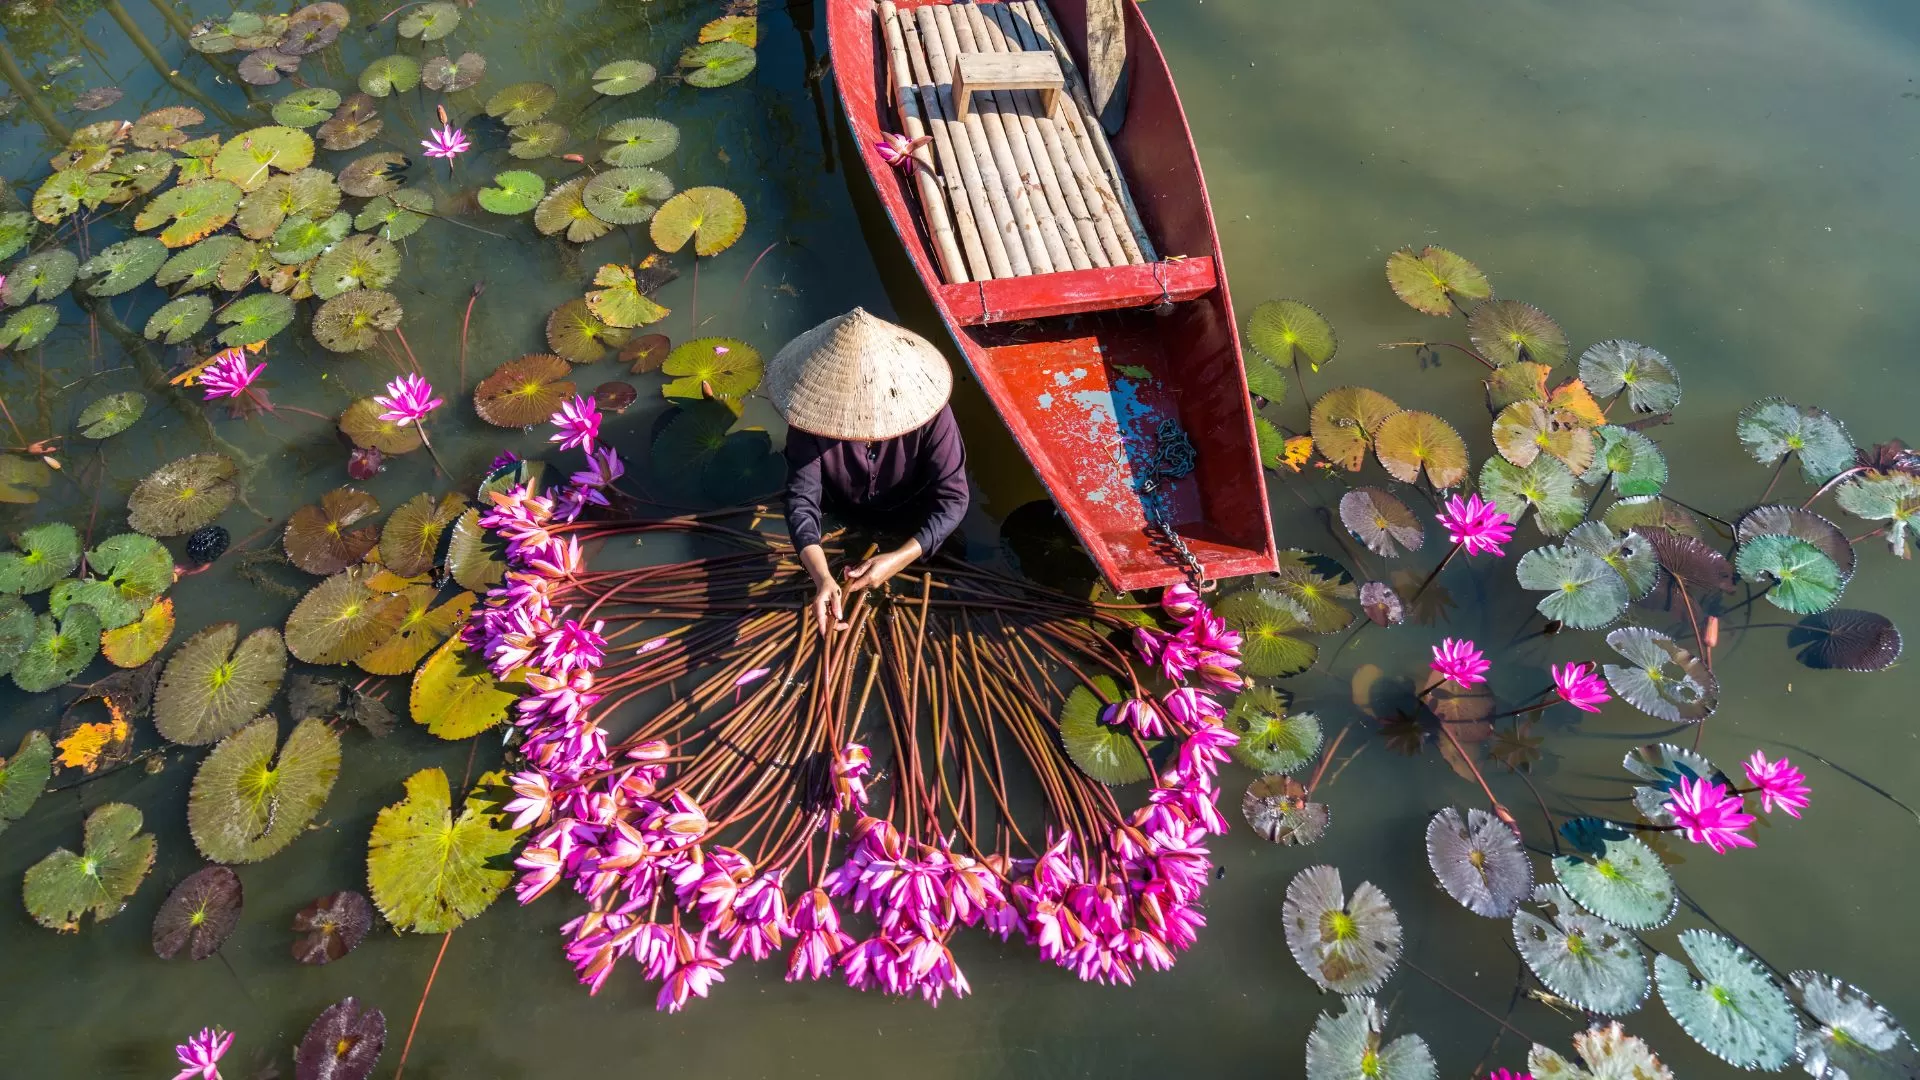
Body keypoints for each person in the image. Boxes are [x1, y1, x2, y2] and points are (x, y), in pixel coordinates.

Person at [767, 308, 969, 635]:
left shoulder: (930, 415)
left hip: (912, 513)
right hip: (842, 509)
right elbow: (802, 502)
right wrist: (822, 578)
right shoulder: (809, 422)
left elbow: (953, 500)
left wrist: (900, 558)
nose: (865, 427)